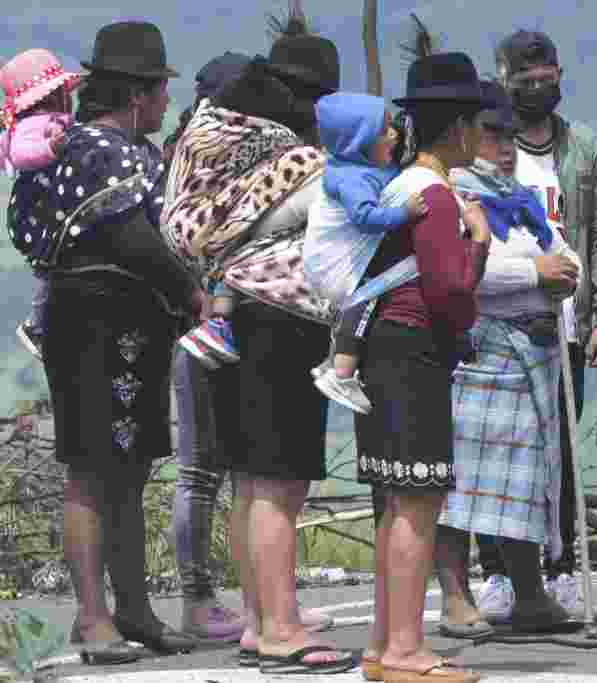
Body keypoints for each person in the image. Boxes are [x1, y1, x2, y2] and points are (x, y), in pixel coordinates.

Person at [8, 21, 202, 663]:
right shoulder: (101, 150)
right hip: (98, 320)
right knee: (93, 471)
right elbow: (132, 239)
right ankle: (94, 619)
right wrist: (191, 290)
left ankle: (135, 611)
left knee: (128, 470)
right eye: (159, 91)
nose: (163, 106)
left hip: (120, 323)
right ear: (138, 95)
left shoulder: (79, 145)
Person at [189, 17, 353, 674]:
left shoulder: (226, 147)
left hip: (232, 319)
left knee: (250, 479)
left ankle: (261, 615)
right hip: (283, 322)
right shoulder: (299, 162)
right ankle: (283, 628)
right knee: (281, 481)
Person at [354, 52, 490, 683]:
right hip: (414, 352)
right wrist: (480, 248)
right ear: (459, 128)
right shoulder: (434, 197)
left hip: (380, 350)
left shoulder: (398, 186)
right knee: (417, 501)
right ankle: (407, 650)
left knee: (395, 501)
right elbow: (449, 293)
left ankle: (385, 646)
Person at [476, 29, 597, 618]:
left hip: (564, 328)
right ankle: (500, 573)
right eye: (526, 81)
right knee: (498, 451)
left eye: (548, 77)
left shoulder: (582, 148)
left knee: (557, 454)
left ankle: (560, 568)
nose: (540, 88)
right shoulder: (487, 147)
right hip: (497, 328)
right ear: (506, 80)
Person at [434, 80, 582, 637]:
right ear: (467, 134)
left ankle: (529, 596)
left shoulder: (517, 200)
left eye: (508, 135)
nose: (503, 145)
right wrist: (533, 274)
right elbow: (460, 271)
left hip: (533, 355)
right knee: (461, 487)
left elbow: (560, 251)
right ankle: (455, 599)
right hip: (480, 355)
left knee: (523, 483)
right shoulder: (452, 196)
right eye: (491, 133)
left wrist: (566, 272)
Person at [166, 52, 250, 643]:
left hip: (219, 325)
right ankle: (199, 600)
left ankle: (258, 600)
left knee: (237, 470)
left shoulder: (184, 152)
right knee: (202, 472)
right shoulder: (201, 158)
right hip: (204, 329)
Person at [304, 92, 427, 413]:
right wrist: (406, 212)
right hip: (336, 267)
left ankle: (331, 364)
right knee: (368, 295)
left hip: (336, 265)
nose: (395, 134)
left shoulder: (361, 166)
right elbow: (365, 218)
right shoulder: (352, 179)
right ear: (359, 142)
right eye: (385, 131)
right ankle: (343, 374)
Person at [1, 48, 81, 361]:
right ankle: (37, 324)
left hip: (48, 207)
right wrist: (50, 147)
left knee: (53, 267)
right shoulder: (32, 126)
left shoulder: (49, 120)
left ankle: (44, 323)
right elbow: (22, 154)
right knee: (52, 264)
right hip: (39, 210)